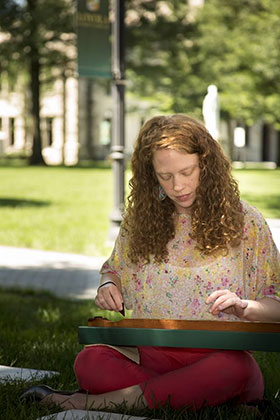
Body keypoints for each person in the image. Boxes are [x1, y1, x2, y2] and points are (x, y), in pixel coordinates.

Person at [20, 114, 280, 412]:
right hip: (150, 358)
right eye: (165, 176)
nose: (178, 186)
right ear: (150, 174)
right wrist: (108, 285)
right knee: (90, 361)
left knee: (236, 370)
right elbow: (114, 270)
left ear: (206, 165)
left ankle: (90, 402)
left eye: (187, 172)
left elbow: (276, 304)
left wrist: (245, 307)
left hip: (219, 357)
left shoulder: (246, 222)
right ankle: (202, 402)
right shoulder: (140, 221)